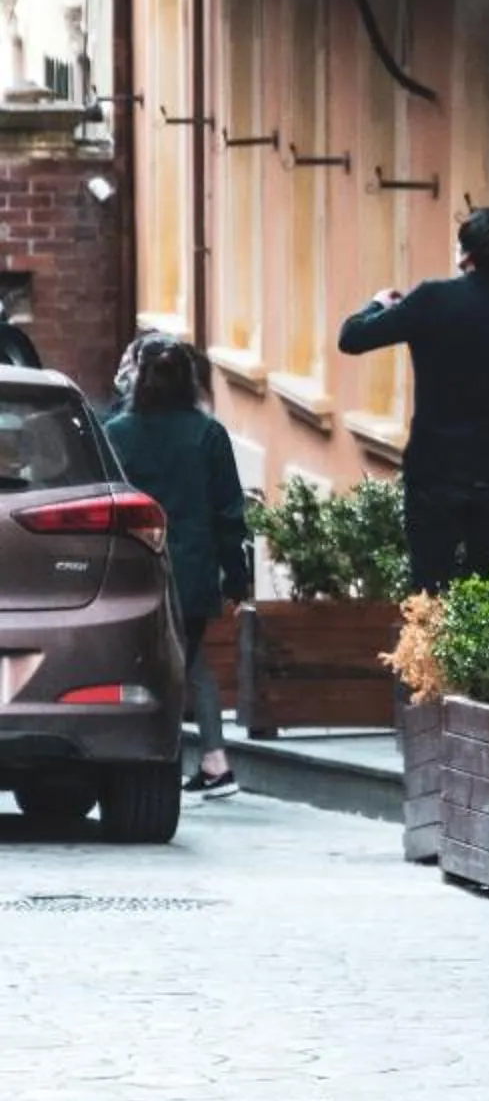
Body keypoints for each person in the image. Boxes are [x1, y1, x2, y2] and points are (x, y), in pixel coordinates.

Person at [336, 209, 489, 592]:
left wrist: (378, 304)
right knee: (487, 596)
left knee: (429, 589)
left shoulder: (433, 300)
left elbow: (352, 338)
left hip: (433, 472)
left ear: (466, 255)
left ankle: (428, 652)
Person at [103, 336, 252, 798]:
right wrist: (238, 576)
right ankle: (214, 760)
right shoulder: (208, 435)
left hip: (132, 570)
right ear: (190, 380)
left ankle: (166, 761)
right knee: (188, 659)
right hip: (192, 572)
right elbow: (229, 513)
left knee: (158, 663)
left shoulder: (117, 433)